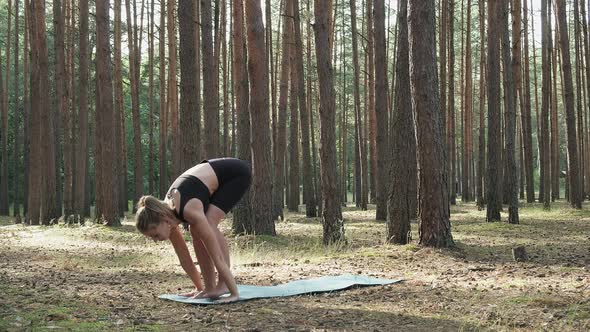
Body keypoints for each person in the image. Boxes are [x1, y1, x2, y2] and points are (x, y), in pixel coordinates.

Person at [135, 157, 252, 303]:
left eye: (155, 235)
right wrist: (199, 287)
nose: (155, 240)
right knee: (195, 229)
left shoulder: (188, 209)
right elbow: (184, 257)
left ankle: (223, 285)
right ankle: (209, 287)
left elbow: (217, 256)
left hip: (235, 173)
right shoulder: (167, 216)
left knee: (208, 222)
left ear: (163, 219)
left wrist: (234, 293)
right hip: (206, 180)